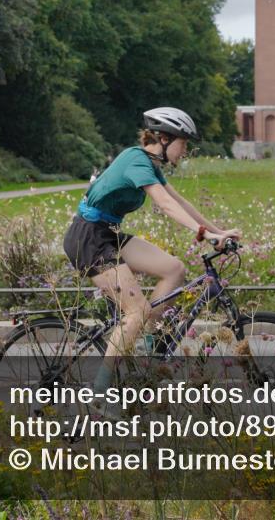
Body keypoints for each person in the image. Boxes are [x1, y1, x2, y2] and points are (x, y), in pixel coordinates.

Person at [63, 107, 241, 399]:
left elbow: (179, 202)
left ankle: (145, 342)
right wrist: (204, 234)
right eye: (184, 143)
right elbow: (165, 205)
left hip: (109, 234)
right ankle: (98, 396)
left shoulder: (151, 165)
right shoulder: (137, 161)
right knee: (136, 311)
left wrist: (218, 232)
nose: (186, 151)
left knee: (174, 269)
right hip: (88, 238)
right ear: (164, 138)